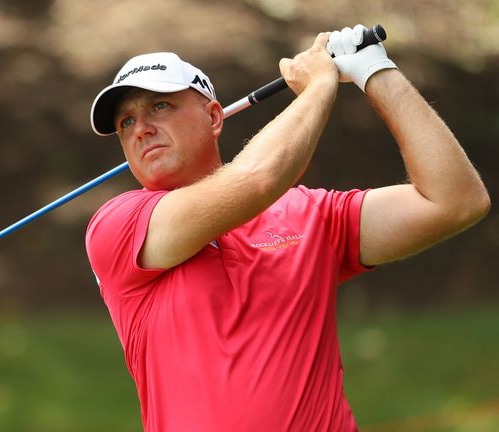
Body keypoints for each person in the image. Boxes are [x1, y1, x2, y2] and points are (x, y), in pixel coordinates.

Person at [84, 26, 490, 432]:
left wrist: (376, 71)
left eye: (159, 106)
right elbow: (257, 180)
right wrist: (318, 87)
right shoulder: (117, 226)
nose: (140, 129)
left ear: (213, 116)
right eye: (126, 122)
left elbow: (455, 201)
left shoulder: (310, 214)